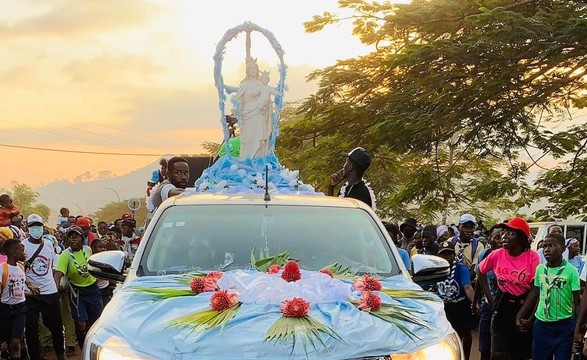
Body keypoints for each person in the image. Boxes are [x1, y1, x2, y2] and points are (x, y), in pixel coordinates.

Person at [477, 217, 539, 360]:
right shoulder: (497, 254)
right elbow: (481, 271)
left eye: (510, 233)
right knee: (498, 353)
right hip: (503, 302)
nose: (503, 236)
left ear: (521, 238)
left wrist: (520, 315)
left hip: (524, 303)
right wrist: (491, 300)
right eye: (504, 232)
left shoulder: (532, 257)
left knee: (520, 353)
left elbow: (535, 289)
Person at [516, 233, 580, 360]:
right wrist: (523, 316)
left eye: (551, 245)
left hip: (564, 326)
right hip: (542, 326)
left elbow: (577, 302)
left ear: (563, 248)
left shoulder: (571, 271)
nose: (546, 249)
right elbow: (536, 294)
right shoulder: (540, 269)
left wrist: (578, 329)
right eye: (544, 246)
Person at [23, 214, 66, 360]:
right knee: (31, 328)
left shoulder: (49, 244)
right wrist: (27, 286)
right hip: (31, 294)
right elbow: (20, 269)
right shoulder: (22, 246)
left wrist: (55, 285)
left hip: (50, 292)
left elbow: (52, 267)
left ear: (43, 227)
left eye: (39, 226)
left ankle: (61, 354)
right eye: (33, 226)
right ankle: (35, 356)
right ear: (28, 228)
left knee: (56, 326)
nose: (36, 229)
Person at [54, 226, 103, 350]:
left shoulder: (88, 250)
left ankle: (94, 347)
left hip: (92, 290)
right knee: (80, 323)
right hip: (77, 292)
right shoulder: (65, 255)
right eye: (71, 237)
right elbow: (58, 274)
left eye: (77, 237)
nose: (74, 240)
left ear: (82, 239)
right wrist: (55, 292)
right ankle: (83, 350)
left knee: (96, 323)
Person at [435, 241, 475, 360]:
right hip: (444, 307)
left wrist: (474, 303)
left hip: (460, 306)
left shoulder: (460, 268)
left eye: (449, 254)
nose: (446, 257)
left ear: (454, 255)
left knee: (465, 334)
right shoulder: (435, 269)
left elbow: (467, 287)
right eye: (443, 254)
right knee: (446, 336)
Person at [0, 239, 38, 360]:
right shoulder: (2, 269)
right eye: (22, 250)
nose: (24, 253)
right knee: (5, 344)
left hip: (20, 309)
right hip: (5, 310)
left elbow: (22, 285)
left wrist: (31, 287)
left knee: (15, 343)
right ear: (13, 252)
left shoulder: (21, 267)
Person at [234, 57, 274, 159]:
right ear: (247, 71)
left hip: (259, 113)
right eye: (250, 68)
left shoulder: (261, 84)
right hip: (247, 113)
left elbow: (267, 97)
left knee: (259, 138)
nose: (252, 70)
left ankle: (258, 159)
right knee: (248, 139)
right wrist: (237, 109)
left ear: (257, 70)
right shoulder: (244, 84)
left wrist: (266, 106)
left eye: (254, 68)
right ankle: (247, 159)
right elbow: (239, 99)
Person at [473, 226, 503, 360]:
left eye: (503, 236)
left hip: (505, 307)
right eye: (497, 237)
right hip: (488, 305)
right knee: (485, 346)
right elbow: (480, 278)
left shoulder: (510, 256)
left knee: (501, 348)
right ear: (489, 239)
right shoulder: (484, 255)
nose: (501, 241)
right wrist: (475, 302)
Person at [451, 214, 485, 279]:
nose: (468, 230)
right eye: (465, 227)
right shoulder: (451, 241)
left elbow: (474, 269)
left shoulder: (478, 246)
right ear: (459, 227)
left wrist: (464, 282)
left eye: (471, 227)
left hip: (469, 281)